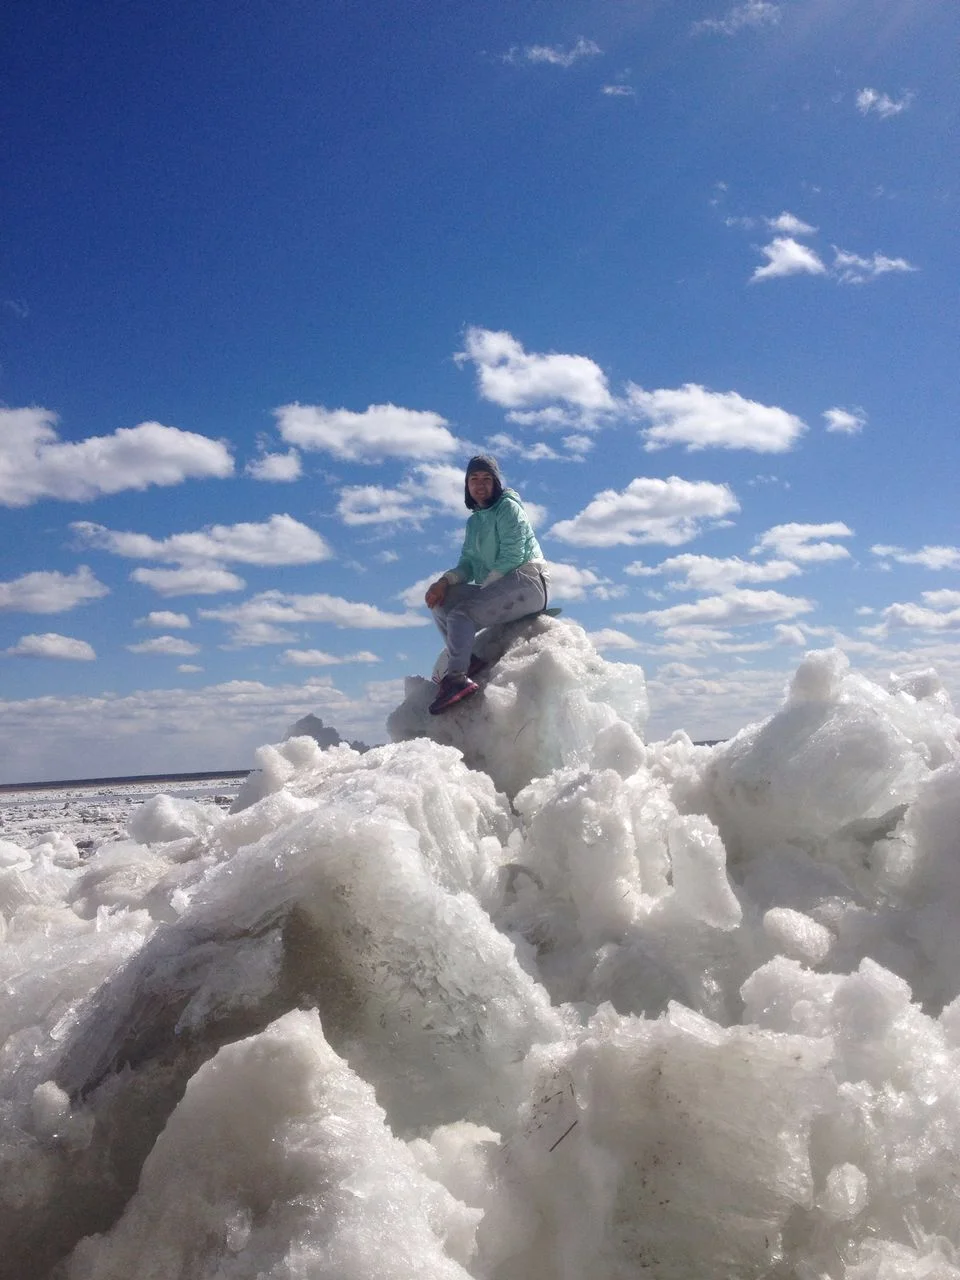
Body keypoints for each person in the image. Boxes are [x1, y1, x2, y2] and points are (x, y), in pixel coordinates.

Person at [424, 454, 549, 714]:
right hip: (500, 585)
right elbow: (468, 563)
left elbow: (513, 555)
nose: (480, 485)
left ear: (496, 483)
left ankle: (456, 679)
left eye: (486, 479)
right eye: (474, 479)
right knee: (442, 604)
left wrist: (485, 591)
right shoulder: (474, 522)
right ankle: (467, 661)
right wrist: (444, 582)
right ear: (467, 485)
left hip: (527, 582)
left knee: (462, 614)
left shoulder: (508, 508)